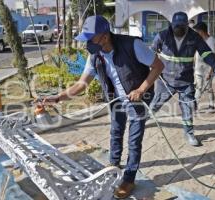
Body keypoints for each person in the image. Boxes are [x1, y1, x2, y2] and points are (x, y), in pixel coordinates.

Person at [43, 15, 164, 199]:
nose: (86, 45)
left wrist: (141, 89)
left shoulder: (133, 45)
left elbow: (158, 66)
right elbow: (82, 83)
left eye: (90, 39)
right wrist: (58, 97)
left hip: (138, 98)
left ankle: (129, 179)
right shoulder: (95, 56)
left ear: (104, 37)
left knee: (134, 140)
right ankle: (113, 166)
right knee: (116, 131)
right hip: (116, 99)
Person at [150, 12, 215, 146]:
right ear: (172, 24)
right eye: (176, 26)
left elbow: (206, 52)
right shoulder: (162, 35)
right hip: (166, 80)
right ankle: (143, 120)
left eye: (181, 26)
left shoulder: (194, 37)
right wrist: (151, 69)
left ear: (187, 25)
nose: (178, 29)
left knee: (187, 108)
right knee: (156, 103)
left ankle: (189, 133)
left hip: (185, 81)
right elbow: (151, 52)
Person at [193, 22, 215, 110]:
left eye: (197, 31)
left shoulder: (211, 41)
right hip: (198, 69)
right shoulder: (199, 40)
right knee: (198, 87)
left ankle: (211, 104)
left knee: (208, 88)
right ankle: (195, 105)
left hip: (207, 70)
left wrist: (210, 72)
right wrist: (193, 67)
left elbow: (214, 57)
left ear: (201, 31)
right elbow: (196, 54)